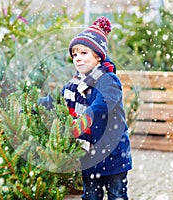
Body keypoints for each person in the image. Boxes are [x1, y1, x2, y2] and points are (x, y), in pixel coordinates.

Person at [62, 16, 132, 200]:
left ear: (98, 57)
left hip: (114, 154)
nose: (77, 58)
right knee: (91, 195)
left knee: (117, 194)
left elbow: (103, 104)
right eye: (74, 54)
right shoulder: (74, 85)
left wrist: (84, 121)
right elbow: (56, 101)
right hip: (90, 156)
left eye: (84, 53)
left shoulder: (109, 81)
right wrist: (32, 106)